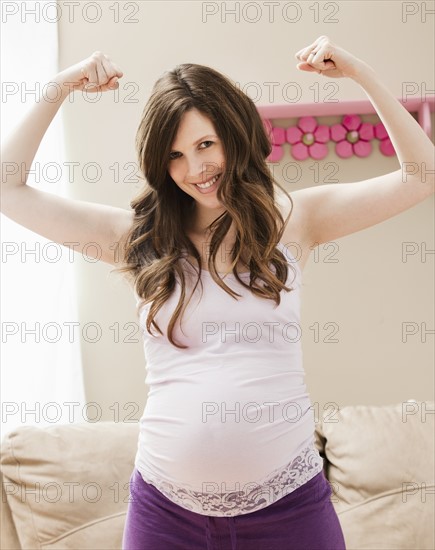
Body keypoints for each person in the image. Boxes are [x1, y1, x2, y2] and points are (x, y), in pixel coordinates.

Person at [1, 35, 433, 550]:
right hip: (166, 512)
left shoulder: (294, 222)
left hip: (290, 506)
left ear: (233, 135)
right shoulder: (138, 240)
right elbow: (7, 185)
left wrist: (360, 73)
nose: (195, 169)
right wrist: (58, 86)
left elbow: (420, 175)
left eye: (206, 145)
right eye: (175, 156)